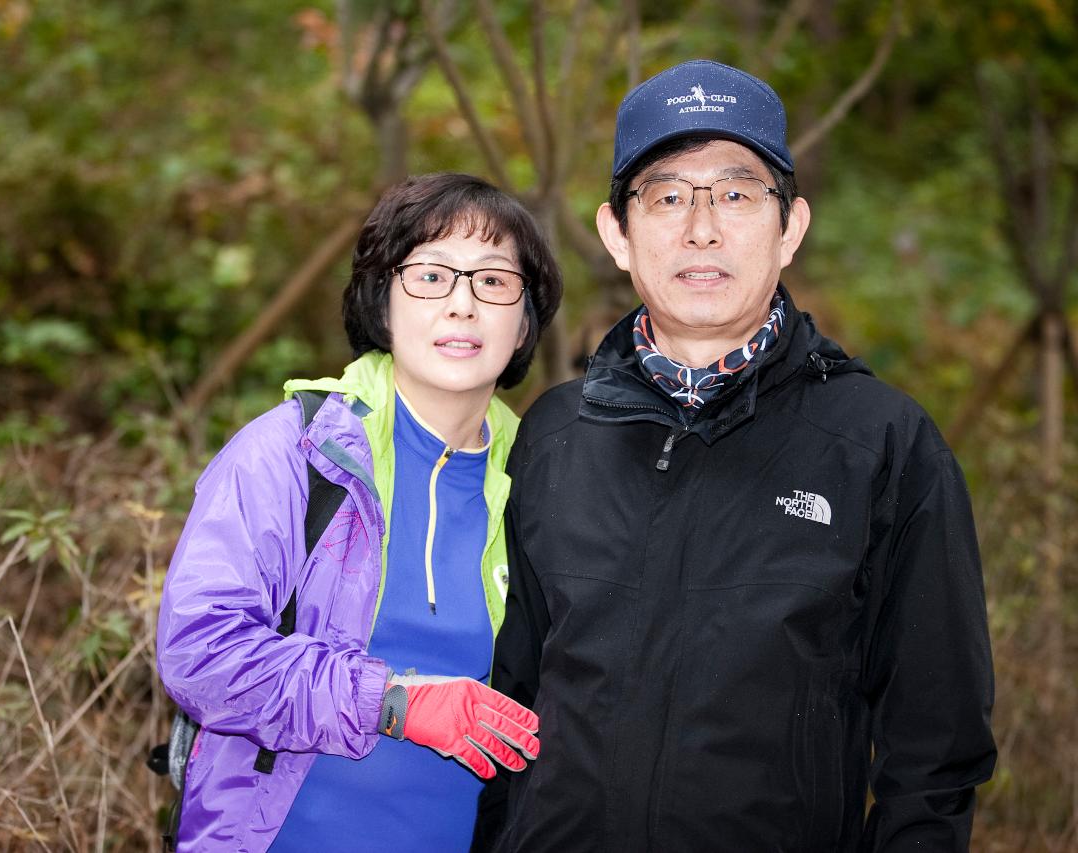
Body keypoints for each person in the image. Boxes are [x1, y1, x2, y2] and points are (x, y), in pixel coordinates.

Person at [474, 60, 996, 852]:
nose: (702, 228)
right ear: (617, 233)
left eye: (737, 192)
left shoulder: (880, 444)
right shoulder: (551, 436)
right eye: (668, 195)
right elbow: (505, 703)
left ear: (790, 227)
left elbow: (937, 743)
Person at [156, 172, 563, 851]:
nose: (463, 304)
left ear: (523, 322)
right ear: (382, 301)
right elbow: (201, 651)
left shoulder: (545, 479)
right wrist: (395, 702)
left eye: (493, 281)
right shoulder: (295, 452)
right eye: (431, 275)